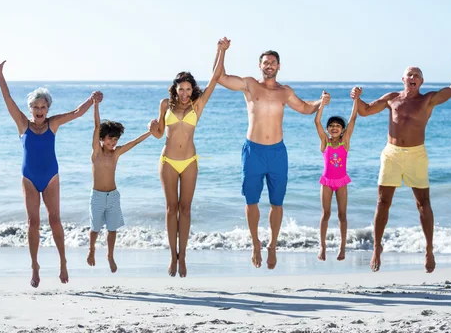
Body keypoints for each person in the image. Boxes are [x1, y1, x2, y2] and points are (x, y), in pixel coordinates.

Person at [351, 48, 451, 273]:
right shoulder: (391, 99)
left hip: (416, 155)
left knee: (423, 204)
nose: (412, 78)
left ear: (421, 81)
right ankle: (377, 247)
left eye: (416, 75)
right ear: (403, 79)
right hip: (391, 154)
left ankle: (429, 249)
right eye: (409, 74)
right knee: (382, 202)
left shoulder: (428, 100)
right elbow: (365, 111)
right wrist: (357, 98)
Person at [0, 53, 102, 287]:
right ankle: (35, 266)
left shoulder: (53, 123)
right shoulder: (22, 124)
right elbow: (8, 99)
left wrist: (92, 100)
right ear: (30, 108)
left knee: (55, 220)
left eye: (43, 106)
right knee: (33, 223)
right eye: (36, 107)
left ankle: (62, 262)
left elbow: (77, 113)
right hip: (29, 178)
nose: (39, 110)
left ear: (48, 108)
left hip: (51, 177)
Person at [217, 45, 329, 270]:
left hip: (277, 152)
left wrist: (320, 102)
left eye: (273, 63)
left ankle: (272, 245)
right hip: (253, 152)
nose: (269, 66)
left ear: (278, 66)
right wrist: (222, 51)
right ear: (260, 66)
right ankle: (255, 243)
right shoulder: (249, 84)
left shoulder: (284, 92)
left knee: (277, 203)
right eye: (265, 63)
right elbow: (220, 78)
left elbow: (306, 108)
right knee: (251, 201)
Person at [149, 37, 229, 277]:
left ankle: (183, 256)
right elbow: (160, 134)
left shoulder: (198, 105)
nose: (184, 93)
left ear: (193, 89)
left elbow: (215, 77)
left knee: (185, 209)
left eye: (188, 89)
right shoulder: (165, 104)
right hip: (168, 162)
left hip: (190, 162)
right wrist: (153, 127)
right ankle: (171, 257)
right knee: (170, 208)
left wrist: (220, 51)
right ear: (174, 89)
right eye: (180, 89)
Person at [87, 98, 155, 273]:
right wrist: (95, 105)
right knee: (95, 228)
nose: (113, 143)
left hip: (113, 195)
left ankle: (110, 255)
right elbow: (96, 126)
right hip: (97, 196)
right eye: (110, 139)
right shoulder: (96, 153)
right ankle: (92, 249)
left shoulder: (116, 153)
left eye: (116, 140)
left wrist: (150, 132)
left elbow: (134, 142)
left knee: (112, 228)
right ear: (102, 139)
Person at [314, 89, 359, 261]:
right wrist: (322, 104)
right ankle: (322, 247)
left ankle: (342, 248)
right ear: (328, 129)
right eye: (331, 126)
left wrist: (357, 99)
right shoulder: (324, 142)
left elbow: (353, 119)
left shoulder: (345, 142)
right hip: (326, 182)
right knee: (325, 214)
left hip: (341, 182)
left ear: (342, 130)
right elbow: (316, 121)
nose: (334, 128)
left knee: (342, 215)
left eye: (337, 126)